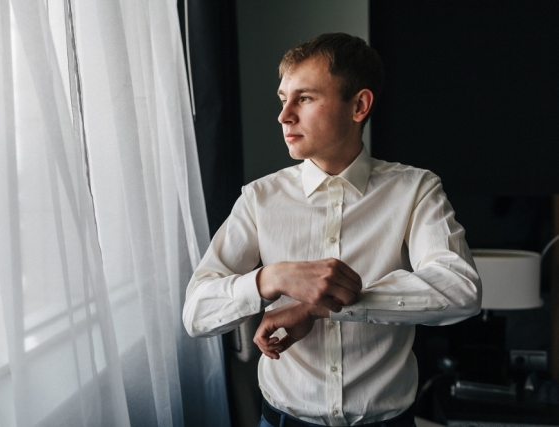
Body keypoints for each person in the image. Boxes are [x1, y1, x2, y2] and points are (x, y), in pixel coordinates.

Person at [182, 33, 481, 427]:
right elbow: (197, 314)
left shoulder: (416, 189)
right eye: (283, 99)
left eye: (304, 98)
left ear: (359, 105)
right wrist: (271, 278)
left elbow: (460, 289)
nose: (284, 116)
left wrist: (322, 307)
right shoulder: (259, 198)